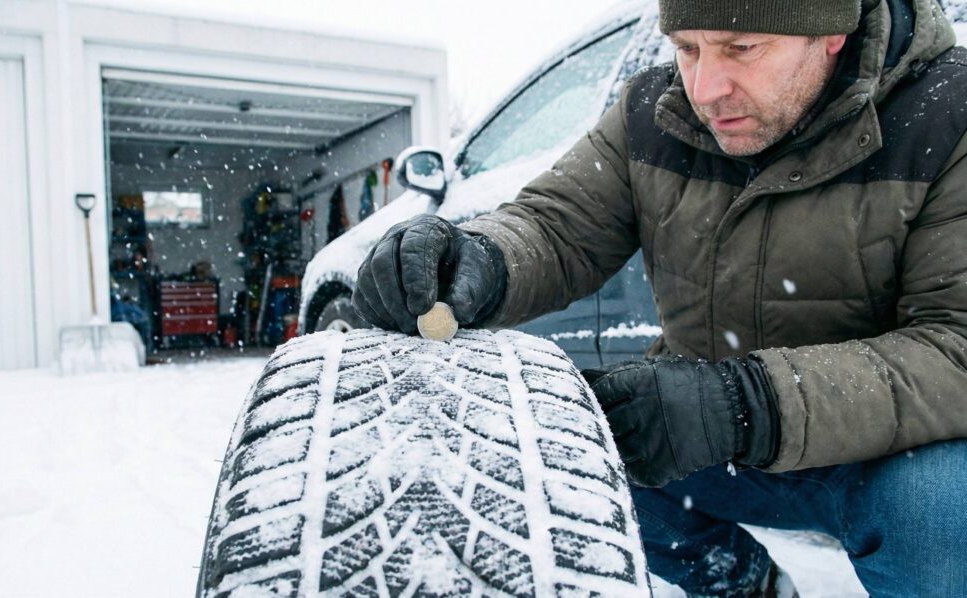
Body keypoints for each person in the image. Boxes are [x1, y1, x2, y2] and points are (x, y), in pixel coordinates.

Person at [351, 0, 967, 594]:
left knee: (937, 509)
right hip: (711, 440)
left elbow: (956, 348)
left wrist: (747, 403)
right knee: (570, 452)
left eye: (741, 48)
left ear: (832, 31)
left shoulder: (948, 114)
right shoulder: (654, 112)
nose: (705, 89)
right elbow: (559, 226)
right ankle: (739, 583)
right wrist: (479, 259)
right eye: (687, 49)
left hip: (885, 457)